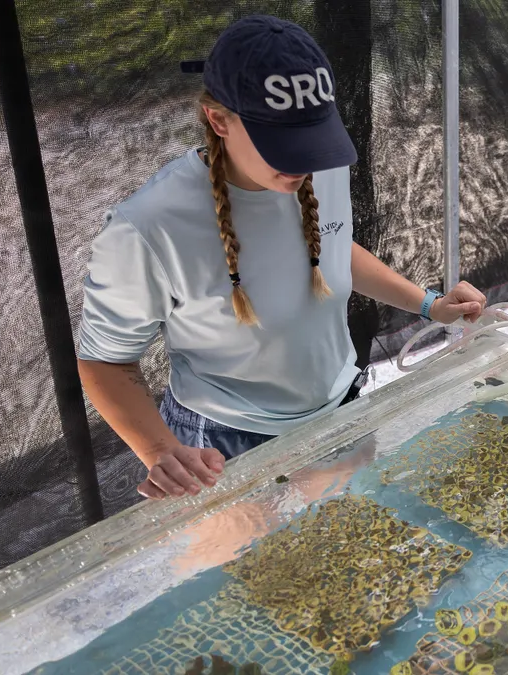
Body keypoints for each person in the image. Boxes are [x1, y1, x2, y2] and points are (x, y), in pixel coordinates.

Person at [75, 15, 486, 501]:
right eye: (282, 144)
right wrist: (161, 451)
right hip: (225, 442)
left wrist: (428, 304)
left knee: (340, 550)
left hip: (339, 407)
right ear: (218, 120)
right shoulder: (148, 226)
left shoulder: (319, 168)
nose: (303, 162)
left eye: (312, 139)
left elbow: (332, 250)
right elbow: (105, 361)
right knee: (241, 575)